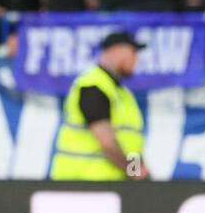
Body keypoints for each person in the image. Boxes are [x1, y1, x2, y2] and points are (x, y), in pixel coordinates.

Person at [49, 31, 148, 181]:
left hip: (111, 186)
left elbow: (131, 144)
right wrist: (135, 172)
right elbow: (107, 142)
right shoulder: (93, 85)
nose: (136, 59)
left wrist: (139, 171)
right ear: (115, 50)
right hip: (81, 185)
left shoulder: (123, 94)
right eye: (133, 52)